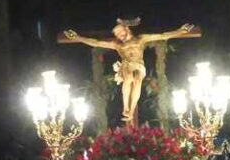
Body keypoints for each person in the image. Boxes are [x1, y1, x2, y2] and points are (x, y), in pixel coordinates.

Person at [64, 18, 197, 125]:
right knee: (128, 79)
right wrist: (78, 38)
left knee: (138, 79)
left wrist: (180, 32)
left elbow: (162, 36)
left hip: (139, 64)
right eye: (116, 34)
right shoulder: (118, 44)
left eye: (119, 32)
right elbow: (97, 43)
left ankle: (131, 110)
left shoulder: (141, 39)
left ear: (126, 29)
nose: (118, 36)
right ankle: (125, 108)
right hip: (127, 65)